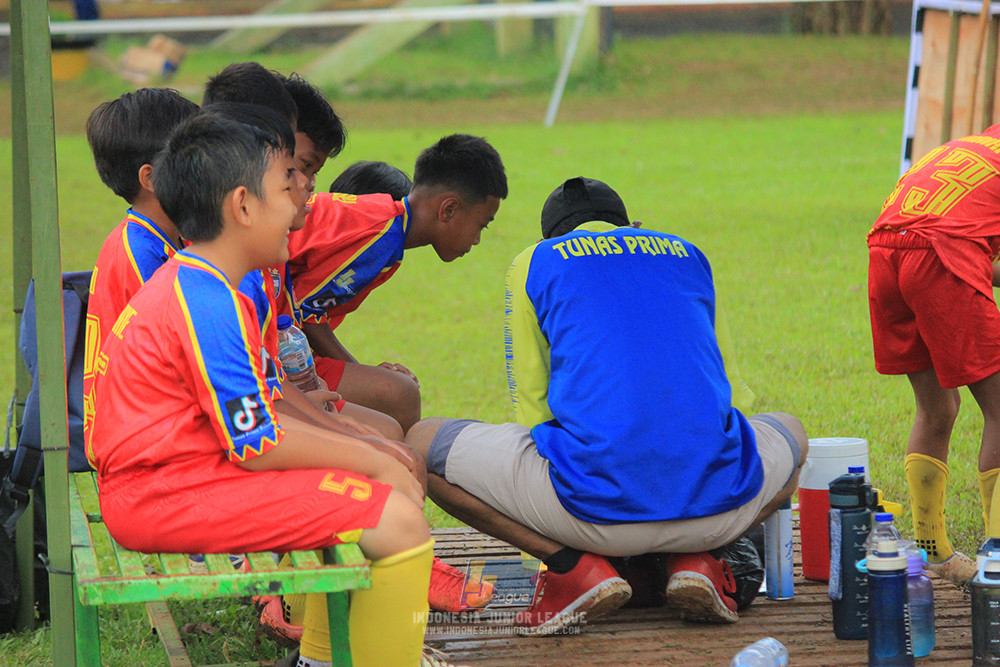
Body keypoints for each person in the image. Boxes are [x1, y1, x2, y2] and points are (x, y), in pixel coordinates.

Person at [86, 109, 449, 667]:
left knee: (369, 481)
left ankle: (320, 659)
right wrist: (373, 455)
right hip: (161, 494)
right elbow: (256, 442)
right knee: (396, 522)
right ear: (243, 206)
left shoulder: (208, 285)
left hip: (176, 479)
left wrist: (365, 447)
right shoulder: (205, 301)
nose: (301, 204)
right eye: (286, 186)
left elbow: (259, 416)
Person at [404, 177, 808, 635]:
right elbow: (734, 396)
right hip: (716, 508)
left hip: (591, 513)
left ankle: (572, 568)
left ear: (551, 238)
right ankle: (699, 560)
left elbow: (534, 407)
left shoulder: (537, 261)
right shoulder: (689, 254)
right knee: (792, 431)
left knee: (423, 443)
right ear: (631, 226)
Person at [286, 134, 508, 434]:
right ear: (448, 210)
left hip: (278, 334)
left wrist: (362, 374)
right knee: (399, 394)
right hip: (269, 346)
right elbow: (303, 310)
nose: (477, 239)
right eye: (481, 225)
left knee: (394, 390)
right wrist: (358, 370)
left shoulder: (386, 227)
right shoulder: (381, 235)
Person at [866, 125, 1000, 583]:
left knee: (936, 407)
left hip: (885, 250)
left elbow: (979, 257)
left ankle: (932, 551)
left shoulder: (977, 148)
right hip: (941, 253)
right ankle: (996, 557)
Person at [82, 87, 199, 443]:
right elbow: (181, 359)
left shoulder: (166, 238)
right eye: (198, 157)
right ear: (150, 179)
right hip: (144, 441)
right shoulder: (140, 253)